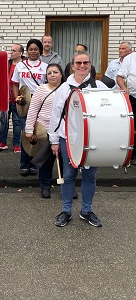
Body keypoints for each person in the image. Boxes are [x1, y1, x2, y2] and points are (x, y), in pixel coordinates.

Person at [49, 51, 107, 227]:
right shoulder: (64, 88)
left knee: (90, 176)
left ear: (90, 64)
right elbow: (55, 115)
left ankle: (86, 211)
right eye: (78, 63)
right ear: (72, 65)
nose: (82, 66)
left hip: (92, 140)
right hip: (68, 139)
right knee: (68, 175)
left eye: (85, 63)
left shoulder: (99, 86)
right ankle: (66, 211)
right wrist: (54, 141)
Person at [25, 63, 64, 198]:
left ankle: (67, 187)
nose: (52, 75)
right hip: (44, 130)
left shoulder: (67, 89)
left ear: (61, 74)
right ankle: (45, 186)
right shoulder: (41, 90)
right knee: (46, 162)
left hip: (63, 131)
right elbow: (32, 110)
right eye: (49, 73)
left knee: (65, 161)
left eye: (55, 72)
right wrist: (29, 130)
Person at [11, 39, 48, 176]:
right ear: (27, 51)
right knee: (26, 132)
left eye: (36, 49)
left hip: (39, 101)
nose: (33, 51)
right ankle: (24, 164)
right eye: (31, 49)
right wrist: (16, 98)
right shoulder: (20, 66)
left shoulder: (45, 66)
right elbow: (15, 84)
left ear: (40, 50)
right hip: (24, 102)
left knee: (38, 133)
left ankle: (34, 164)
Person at [0, 43, 24, 153]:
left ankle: (16, 144)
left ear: (20, 53)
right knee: (4, 121)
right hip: (5, 98)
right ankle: (2, 142)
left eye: (13, 50)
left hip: (16, 97)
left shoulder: (24, 65)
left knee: (17, 122)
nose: (11, 52)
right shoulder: (7, 64)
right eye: (11, 50)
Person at [116, 49, 136, 164]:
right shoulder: (130, 58)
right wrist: (124, 89)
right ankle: (132, 155)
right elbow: (119, 77)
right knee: (132, 127)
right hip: (132, 97)